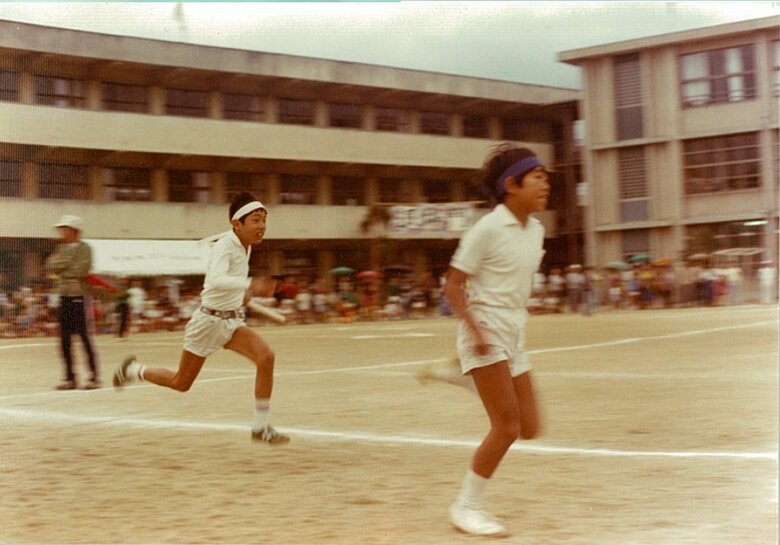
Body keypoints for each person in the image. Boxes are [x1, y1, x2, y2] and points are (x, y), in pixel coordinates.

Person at [418, 143, 549, 536]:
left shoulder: (537, 229)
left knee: (530, 427)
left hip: (513, 333)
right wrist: (476, 332)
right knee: (506, 426)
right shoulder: (488, 228)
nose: (546, 184)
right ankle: (466, 507)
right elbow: (453, 285)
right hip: (484, 330)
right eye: (537, 177)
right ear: (512, 184)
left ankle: (460, 374)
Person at [112, 192, 289, 445]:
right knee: (180, 382)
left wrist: (246, 297)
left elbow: (229, 287)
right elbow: (215, 280)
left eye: (264, 220)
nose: (262, 226)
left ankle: (260, 428)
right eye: (256, 220)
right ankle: (133, 370)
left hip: (231, 323)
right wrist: (251, 283)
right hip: (207, 323)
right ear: (236, 224)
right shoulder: (225, 245)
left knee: (266, 357)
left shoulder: (244, 247)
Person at [45, 214, 101, 390]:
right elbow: (50, 267)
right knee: (64, 339)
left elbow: (82, 270)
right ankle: (70, 378)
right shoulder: (61, 249)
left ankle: (94, 377)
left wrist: (62, 269)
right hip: (64, 296)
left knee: (85, 337)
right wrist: (66, 269)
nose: (61, 232)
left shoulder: (85, 248)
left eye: (64, 229)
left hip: (79, 296)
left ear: (74, 231)